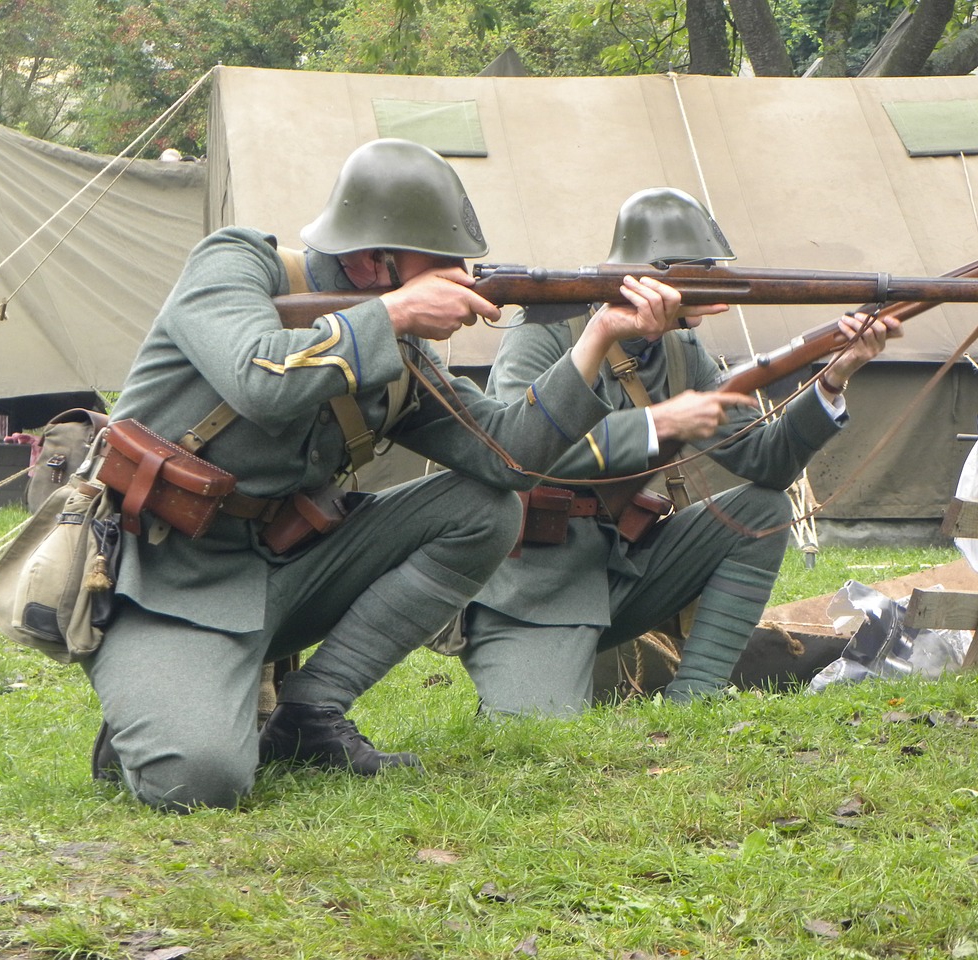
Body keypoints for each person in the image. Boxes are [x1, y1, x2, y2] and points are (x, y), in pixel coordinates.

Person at [85, 141, 722, 811]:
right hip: (163, 580)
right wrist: (391, 315)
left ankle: (310, 714)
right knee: (200, 784)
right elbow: (258, 380)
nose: (463, 277)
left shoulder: (401, 353)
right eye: (443, 263)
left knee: (485, 507)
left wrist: (596, 339)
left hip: (281, 569)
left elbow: (509, 458)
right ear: (371, 259)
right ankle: (157, 706)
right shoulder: (237, 263)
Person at [458, 187, 901, 716]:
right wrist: (653, 423)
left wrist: (832, 379)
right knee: (531, 735)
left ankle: (696, 698)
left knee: (761, 510)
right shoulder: (547, 330)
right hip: (535, 588)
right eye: (699, 273)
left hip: (622, 567)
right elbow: (518, 453)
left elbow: (764, 461)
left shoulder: (679, 347)